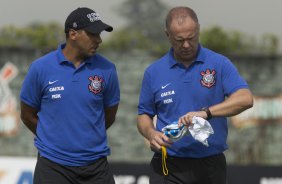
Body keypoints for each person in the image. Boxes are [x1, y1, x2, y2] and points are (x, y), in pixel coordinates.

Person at [137, 6, 253, 184]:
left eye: (191, 38)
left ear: (198, 30)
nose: (186, 45)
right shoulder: (154, 72)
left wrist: (206, 112)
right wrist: (151, 133)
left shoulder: (219, 63)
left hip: (210, 164)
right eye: (179, 40)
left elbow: (245, 98)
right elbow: (144, 114)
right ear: (167, 35)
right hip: (168, 164)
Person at [20, 7, 120, 184]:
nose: (99, 40)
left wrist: (85, 137)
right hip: (53, 167)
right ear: (73, 34)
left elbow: (109, 115)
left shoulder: (107, 69)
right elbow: (27, 115)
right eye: (93, 34)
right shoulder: (40, 68)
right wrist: (55, 138)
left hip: (96, 167)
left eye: (100, 34)